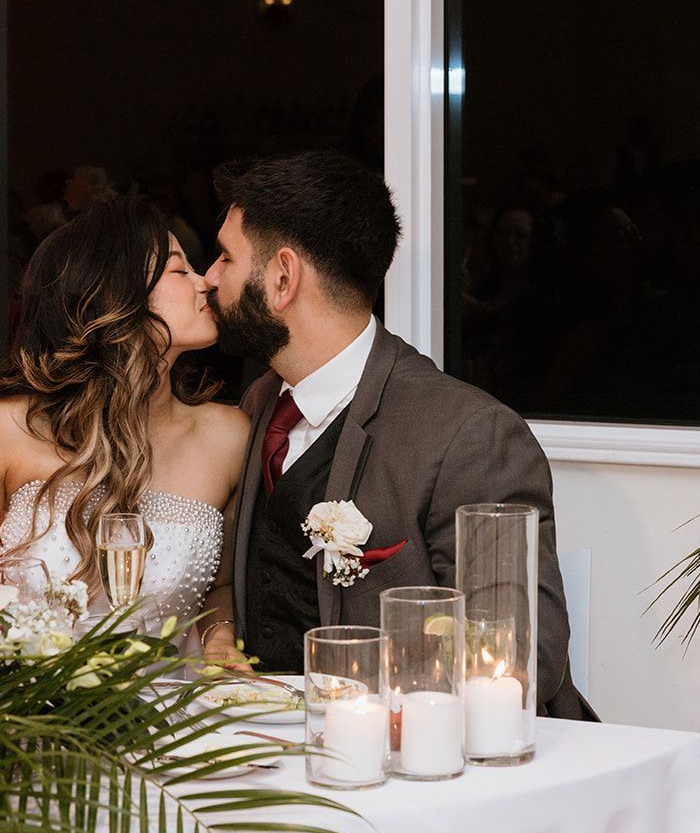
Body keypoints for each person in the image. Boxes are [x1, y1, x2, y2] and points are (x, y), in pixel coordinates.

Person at [198, 151, 596, 721]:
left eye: (226, 257)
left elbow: (516, 662)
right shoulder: (262, 402)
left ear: (283, 277)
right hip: (268, 755)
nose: (210, 276)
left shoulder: (469, 436)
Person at [0, 196, 250, 636]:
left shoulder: (229, 437)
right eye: (179, 270)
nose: (206, 282)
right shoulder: (12, 430)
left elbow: (222, 586)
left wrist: (221, 634)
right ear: (113, 294)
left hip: (172, 700)